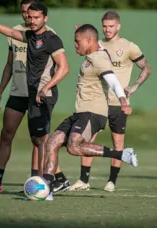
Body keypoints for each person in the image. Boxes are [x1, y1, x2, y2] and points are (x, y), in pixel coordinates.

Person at [0, 1, 71, 192]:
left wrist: (45, 88)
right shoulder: (30, 36)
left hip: (44, 95)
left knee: (40, 140)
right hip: (29, 92)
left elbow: (64, 68)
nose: (31, 20)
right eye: (29, 16)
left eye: (36, 17)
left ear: (45, 18)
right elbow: (10, 32)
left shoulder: (51, 38)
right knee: (32, 138)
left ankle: (44, 184)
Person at [42, 24, 138, 201]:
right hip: (80, 112)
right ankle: (46, 189)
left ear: (88, 40)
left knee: (73, 146)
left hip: (93, 113)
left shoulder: (99, 58)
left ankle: (122, 154)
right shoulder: (94, 54)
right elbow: (98, 45)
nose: (75, 45)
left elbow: (113, 81)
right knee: (51, 142)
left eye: (78, 42)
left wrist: (123, 100)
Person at [70, 11, 151, 192]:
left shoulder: (129, 47)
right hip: (98, 104)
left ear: (118, 26)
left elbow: (147, 66)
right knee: (86, 141)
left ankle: (111, 182)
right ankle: (84, 180)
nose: (107, 29)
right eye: (105, 26)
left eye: (111, 26)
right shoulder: (97, 46)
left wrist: (134, 86)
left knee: (118, 143)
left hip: (118, 104)